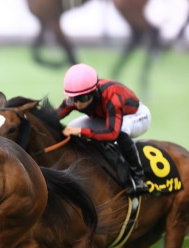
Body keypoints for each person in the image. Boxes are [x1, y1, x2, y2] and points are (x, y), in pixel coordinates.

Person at [56, 63, 150, 194]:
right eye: (73, 99)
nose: (77, 104)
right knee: (72, 126)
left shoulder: (112, 96)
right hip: (106, 117)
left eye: (82, 98)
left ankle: (138, 177)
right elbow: (53, 116)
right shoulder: (76, 96)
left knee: (121, 131)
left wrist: (82, 132)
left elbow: (112, 133)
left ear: (94, 92)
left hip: (136, 116)